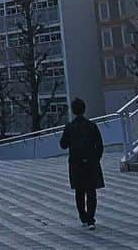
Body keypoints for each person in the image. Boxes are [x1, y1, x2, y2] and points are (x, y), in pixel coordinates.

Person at [60, 96, 104, 227]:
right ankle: (91, 219)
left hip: (75, 164)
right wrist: (96, 159)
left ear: (73, 111)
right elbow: (100, 145)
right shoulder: (92, 126)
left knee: (79, 192)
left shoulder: (70, 127)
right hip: (91, 163)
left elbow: (63, 144)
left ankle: (83, 217)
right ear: (84, 109)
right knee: (91, 191)